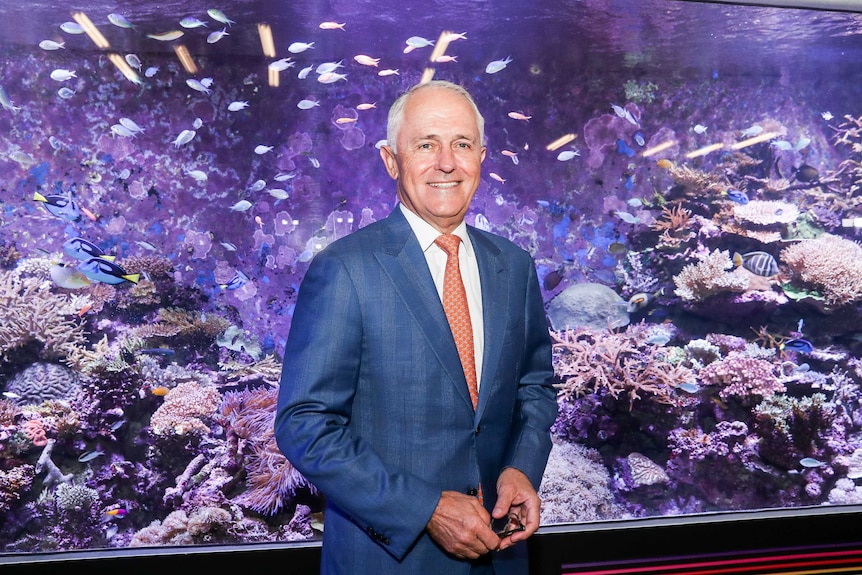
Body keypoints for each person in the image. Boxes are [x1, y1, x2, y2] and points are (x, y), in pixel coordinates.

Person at [274, 80, 558, 575]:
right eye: (426, 144)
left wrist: (521, 469)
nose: (446, 162)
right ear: (391, 160)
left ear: (482, 157)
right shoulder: (345, 269)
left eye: (462, 145)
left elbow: (535, 387)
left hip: (503, 557)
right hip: (388, 560)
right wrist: (424, 508)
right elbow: (305, 424)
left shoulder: (513, 266)